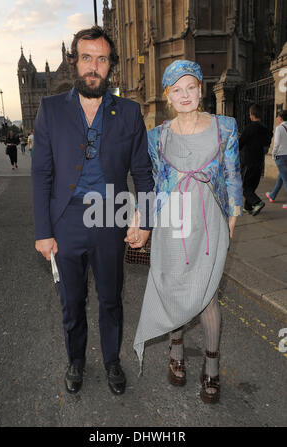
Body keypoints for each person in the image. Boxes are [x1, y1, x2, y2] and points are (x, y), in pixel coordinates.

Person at [32, 26, 154, 396]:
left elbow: (144, 175)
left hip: (110, 219)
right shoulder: (51, 110)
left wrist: (145, 220)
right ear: (75, 61)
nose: (93, 67)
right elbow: (41, 173)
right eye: (87, 58)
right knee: (72, 300)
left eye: (102, 59)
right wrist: (43, 230)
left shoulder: (129, 112)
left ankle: (112, 360)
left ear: (110, 66)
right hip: (66, 221)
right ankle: (76, 359)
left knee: (111, 297)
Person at [133, 60, 243, 404]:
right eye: (176, 89)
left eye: (190, 87)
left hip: (210, 224)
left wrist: (231, 224)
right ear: (167, 96)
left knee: (207, 294)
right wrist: (140, 216)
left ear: (201, 89)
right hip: (172, 224)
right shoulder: (157, 136)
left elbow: (233, 176)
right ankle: (175, 347)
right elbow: (150, 183)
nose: (184, 95)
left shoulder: (225, 127)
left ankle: (211, 364)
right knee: (174, 289)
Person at [239, 104, 272, 216]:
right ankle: (248, 207)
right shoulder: (265, 129)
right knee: (251, 186)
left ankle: (257, 202)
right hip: (259, 161)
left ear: (252, 115)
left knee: (244, 187)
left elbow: (240, 143)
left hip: (248, 161)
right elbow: (267, 142)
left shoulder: (249, 128)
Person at [265, 110, 287, 209]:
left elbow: (276, 143)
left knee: (285, 179)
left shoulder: (279, 128)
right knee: (281, 177)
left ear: (281, 118)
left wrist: (273, 154)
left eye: (278, 116)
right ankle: (272, 195)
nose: (277, 118)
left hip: (281, 156)